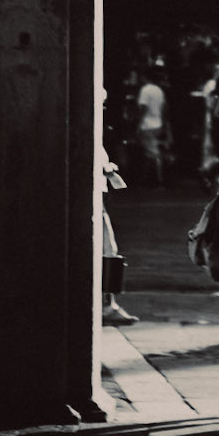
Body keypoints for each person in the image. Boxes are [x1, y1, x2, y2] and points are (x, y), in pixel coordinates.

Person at [100, 133, 138, 326]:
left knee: (109, 250)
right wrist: (107, 168)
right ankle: (107, 306)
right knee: (108, 250)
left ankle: (108, 304)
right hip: (94, 199)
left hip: (98, 197)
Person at [135, 70, 168, 186]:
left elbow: (143, 107)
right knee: (150, 152)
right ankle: (149, 178)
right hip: (157, 123)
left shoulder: (145, 90)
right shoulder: (159, 91)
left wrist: (138, 123)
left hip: (147, 124)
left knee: (152, 152)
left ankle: (158, 179)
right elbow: (164, 108)